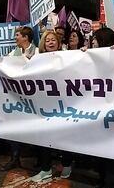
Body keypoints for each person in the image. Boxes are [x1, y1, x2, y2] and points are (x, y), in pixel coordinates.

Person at [32, 30, 73, 182]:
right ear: (43, 43)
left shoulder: (69, 56)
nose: (50, 42)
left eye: (53, 39)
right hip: (45, 106)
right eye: (47, 40)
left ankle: (67, 165)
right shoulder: (37, 59)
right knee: (44, 138)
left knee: (65, 137)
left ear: (58, 42)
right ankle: (46, 169)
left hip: (64, 105)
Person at [0, 26, 38, 172]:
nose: (15, 38)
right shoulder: (13, 53)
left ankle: (38, 159)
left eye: (17, 35)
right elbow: (3, 64)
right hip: (17, 97)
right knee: (14, 127)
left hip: (33, 97)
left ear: (25, 37)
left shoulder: (37, 52)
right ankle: (14, 158)